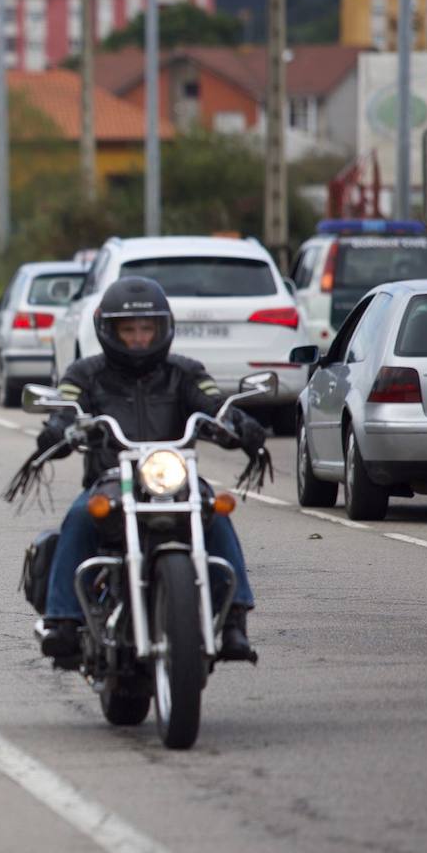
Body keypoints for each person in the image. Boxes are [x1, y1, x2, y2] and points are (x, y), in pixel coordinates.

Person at [33, 276, 266, 662]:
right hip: (112, 479)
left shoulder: (186, 372)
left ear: (163, 328)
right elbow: (66, 406)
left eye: (147, 328)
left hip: (174, 479)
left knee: (216, 513)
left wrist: (237, 423)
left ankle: (233, 620)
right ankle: (63, 619)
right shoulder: (84, 374)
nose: (140, 338)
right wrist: (59, 426)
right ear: (110, 330)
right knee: (78, 516)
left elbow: (215, 405)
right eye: (129, 330)